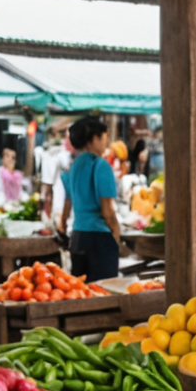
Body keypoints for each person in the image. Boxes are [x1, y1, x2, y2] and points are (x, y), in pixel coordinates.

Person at [57, 116, 125, 280]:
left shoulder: (73, 166)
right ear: (94, 139)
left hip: (78, 237)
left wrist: (63, 228)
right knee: (104, 290)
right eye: (104, 138)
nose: (105, 144)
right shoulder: (100, 165)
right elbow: (107, 210)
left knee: (82, 290)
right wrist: (116, 234)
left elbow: (67, 205)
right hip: (99, 239)